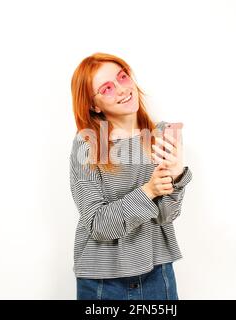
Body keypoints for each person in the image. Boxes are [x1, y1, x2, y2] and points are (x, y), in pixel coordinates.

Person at [69, 52, 193, 300]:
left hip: (157, 271)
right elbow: (97, 225)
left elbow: (167, 216)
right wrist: (149, 191)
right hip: (102, 280)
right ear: (93, 105)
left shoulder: (162, 135)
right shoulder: (87, 146)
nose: (122, 89)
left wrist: (177, 176)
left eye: (122, 77)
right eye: (106, 88)